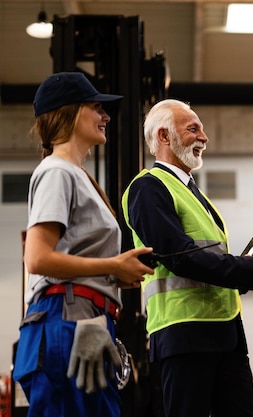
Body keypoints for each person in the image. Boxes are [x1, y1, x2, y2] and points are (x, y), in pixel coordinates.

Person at [121, 98, 253, 417]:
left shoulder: (195, 194)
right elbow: (181, 258)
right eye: (193, 129)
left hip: (226, 335)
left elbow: (208, 265)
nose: (204, 138)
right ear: (164, 137)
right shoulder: (148, 189)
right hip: (184, 336)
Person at [12, 72, 155, 417]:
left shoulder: (76, 175)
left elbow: (70, 255)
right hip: (65, 321)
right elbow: (38, 257)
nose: (105, 116)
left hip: (84, 320)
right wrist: (112, 266)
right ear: (70, 112)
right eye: (96, 107)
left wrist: (113, 276)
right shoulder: (57, 172)